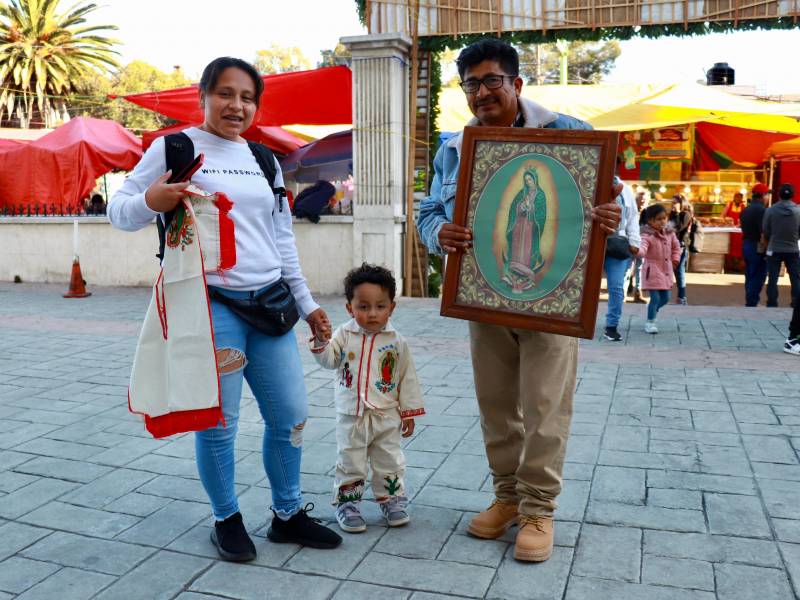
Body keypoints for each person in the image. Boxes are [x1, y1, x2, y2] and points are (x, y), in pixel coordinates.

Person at [108, 56, 341, 562]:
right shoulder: (174, 148)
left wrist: (307, 305)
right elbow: (119, 211)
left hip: (271, 307)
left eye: (247, 97)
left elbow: (282, 240)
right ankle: (226, 518)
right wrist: (154, 197)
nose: (237, 105)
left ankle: (287, 514)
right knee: (219, 422)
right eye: (226, 94)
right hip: (212, 308)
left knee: (292, 415)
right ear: (204, 96)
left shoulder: (263, 159)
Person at [416, 38, 621, 563]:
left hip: (553, 300)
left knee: (546, 406)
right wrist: (440, 232)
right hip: (484, 294)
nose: (481, 92)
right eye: (471, 84)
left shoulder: (568, 134)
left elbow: (608, 199)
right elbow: (429, 211)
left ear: (516, 85)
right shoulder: (456, 146)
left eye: (491, 81)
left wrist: (608, 216)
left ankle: (538, 508)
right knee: (496, 404)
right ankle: (507, 498)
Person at [310, 264, 424, 533]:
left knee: (390, 459)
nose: (372, 313)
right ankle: (347, 504)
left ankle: (391, 499)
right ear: (350, 308)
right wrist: (321, 340)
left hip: (387, 414)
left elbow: (407, 378)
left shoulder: (397, 342)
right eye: (363, 307)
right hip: (353, 415)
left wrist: (409, 412)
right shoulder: (343, 335)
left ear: (391, 307)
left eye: (380, 306)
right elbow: (328, 361)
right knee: (351, 461)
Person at [603, 177, 641, 342]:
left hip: (617, 242)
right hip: (591, 243)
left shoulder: (624, 189)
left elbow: (632, 217)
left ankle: (612, 326)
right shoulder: (588, 180)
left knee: (617, 286)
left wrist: (634, 241)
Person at [638, 204, 681, 334]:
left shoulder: (670, 233)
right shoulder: (647, 235)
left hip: (666, 270)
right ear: (650, 221)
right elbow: (642, 248)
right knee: (655, 298)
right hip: (652, 269)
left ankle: (652, 309)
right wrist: (637, 251)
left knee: (666, 298)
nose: (663, 221)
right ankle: (650, 322)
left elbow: (676, 247)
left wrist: (675, 259)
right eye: (659, 219)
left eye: (664, 218)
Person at [502, 168, 547, 291]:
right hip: (519, 225)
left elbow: (541, 214)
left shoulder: (540, 195)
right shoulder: (522, 193)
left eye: (530, 179)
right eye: (526, 180)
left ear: (535, 179)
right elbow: (513, 208)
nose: (528, 182)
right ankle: (514, 268)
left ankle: (525, 269)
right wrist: (521, 207)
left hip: (530, 227)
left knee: (527, 247)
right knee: (517, 246)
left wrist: (530, 208)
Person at [763, 183, 800, 307]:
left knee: (773, 278)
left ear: (778, 195)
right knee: (795, 278)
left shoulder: (771, 210)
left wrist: (771, 238)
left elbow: (766, 230)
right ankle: (796, 302)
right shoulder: (798, 211)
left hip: (774, 248)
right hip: (793, 248)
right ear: (793, 195)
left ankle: (772, 302)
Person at [739, 183, 770, 306]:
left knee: (750, 274)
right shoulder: (762, 211)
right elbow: (763, 232)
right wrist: (767, 249)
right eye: (767, 194)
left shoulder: (746, 210)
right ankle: (751, 302)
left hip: (747, 244)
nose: (768, 197)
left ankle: (749, 300)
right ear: (762, 196)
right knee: (758, 275)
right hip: (757, 246)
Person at [668, 194, 692, 305]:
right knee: (670, 271)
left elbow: (678, 228)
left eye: (675, 202)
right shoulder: (672, 214)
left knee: (679, 272)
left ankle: (682, 297)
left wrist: (676, 213)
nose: (673, 205)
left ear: (681, 203)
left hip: (681, 246)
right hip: (671, 246)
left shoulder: (685, 214)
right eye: (672, 202)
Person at [626, 190, 648, 304]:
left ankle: (637, 294)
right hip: (629, 244)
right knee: (628, 268)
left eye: (644, 199)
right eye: (640, 199)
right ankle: (623, 293)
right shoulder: (631, 210)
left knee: (639, 269)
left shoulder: (648, 213)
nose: (643, 200)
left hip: (642, 245)